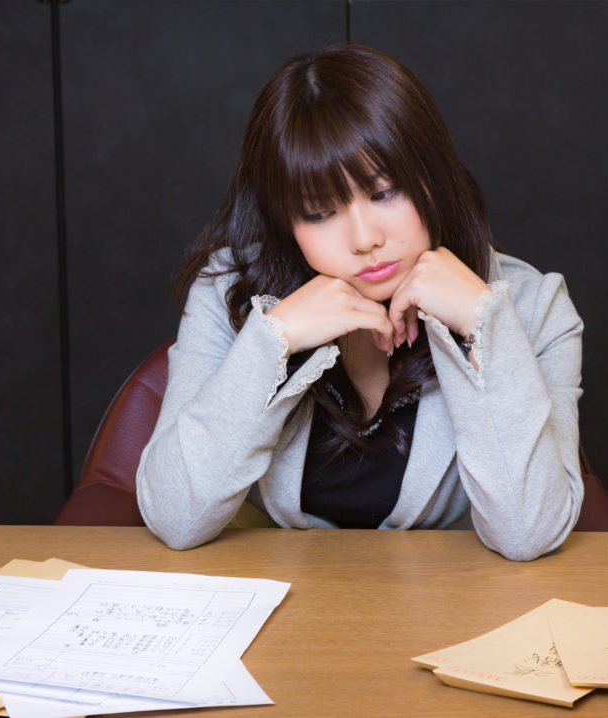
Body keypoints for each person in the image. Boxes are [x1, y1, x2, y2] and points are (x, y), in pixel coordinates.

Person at [136, 44, 583, 561]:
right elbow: (176, 517)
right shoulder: (228, 293)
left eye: (385, 192)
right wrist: (273, 341)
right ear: (285, 222)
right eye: (318, 212)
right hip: (278, 591)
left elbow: (528, 533)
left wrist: (485, 325)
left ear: (433, 177)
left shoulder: (533, 308)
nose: (365, 239)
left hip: (451, 599)